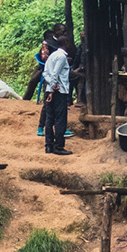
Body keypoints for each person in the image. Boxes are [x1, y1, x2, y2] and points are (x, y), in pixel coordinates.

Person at [42, 26, 73, 155]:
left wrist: (50, 86)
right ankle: (58, 146)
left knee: (50, 119)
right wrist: (52, 88)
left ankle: (48, 146)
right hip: (59, 92)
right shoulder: (61, 57)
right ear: (65, 44)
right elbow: (55, 74)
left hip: (51, 90)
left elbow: (45, 73)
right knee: (60, 119)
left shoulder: (52, 56)